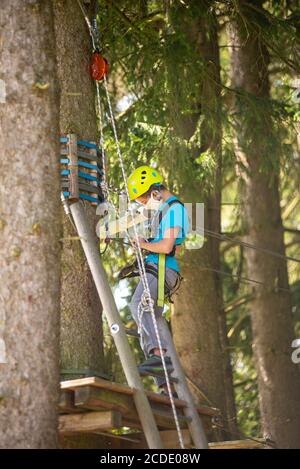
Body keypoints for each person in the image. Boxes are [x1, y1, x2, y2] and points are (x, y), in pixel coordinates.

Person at [127, 165, 189, 397]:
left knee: (139, 305)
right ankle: (168, 388)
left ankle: (159, 358)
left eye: (144, 200)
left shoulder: (174, 210)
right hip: (158, 270)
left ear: (155, 191)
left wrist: (143, 244)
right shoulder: (167, 211)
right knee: (154, 320)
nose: (144, 206)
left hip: (162, 270)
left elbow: (166, 247)